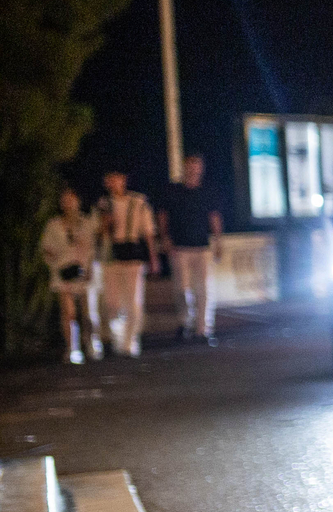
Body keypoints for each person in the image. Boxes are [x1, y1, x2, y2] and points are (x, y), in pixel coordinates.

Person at [159, 153, 223, 343]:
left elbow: (214, 217)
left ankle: (203, 328)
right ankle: (185, 322)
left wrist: (218, 241)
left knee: (204, 289)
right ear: (185, 167)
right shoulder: (173, 191)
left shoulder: (208, 191)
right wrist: (165, 238)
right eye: (190, 165)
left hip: (202, 246)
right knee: (182, 289)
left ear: (201, 169)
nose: (193, 169)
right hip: (180, 247)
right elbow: (163, 216)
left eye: (197, 166)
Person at [95, 170, 157, 356]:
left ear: (124, 180)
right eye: (110, 179)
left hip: (132, 254)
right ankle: (118, 337)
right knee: (111, 302)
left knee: (133, 300)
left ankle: (130, 342)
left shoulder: (138, 202)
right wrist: (105, 224)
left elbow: (148, 231)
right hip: (110, 256)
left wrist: (153, 257)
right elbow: (97, 233)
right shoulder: (103, 204)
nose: (114, 182)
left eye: (117, 178)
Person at [39, 188, 100, 363]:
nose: (68, 203)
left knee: (89, 312)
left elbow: (92, 248)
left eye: (71, 199)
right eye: (64, 200)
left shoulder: (86, 222)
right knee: (68, 312)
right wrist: (57, 264)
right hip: (63, 272)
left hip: (84, 271)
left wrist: (88, 266)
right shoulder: (53, 225)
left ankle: (91, 342)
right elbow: (46, 250)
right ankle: (72, 347)